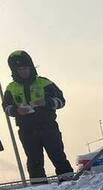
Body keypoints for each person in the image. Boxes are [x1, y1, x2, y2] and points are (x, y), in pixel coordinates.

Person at [2, 51, 73, 183]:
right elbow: (6, 107)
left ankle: (69, 186)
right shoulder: (11, 88)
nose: (23, 72)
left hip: (48, 127)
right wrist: (17, 111)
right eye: (20, 69)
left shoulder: (44, 83)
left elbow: (61, 101)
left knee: (58, 157)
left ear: (31, 67)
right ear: (15, 71)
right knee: (34, 162)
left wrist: (46, 102)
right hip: (26, 130)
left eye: (25, 68)